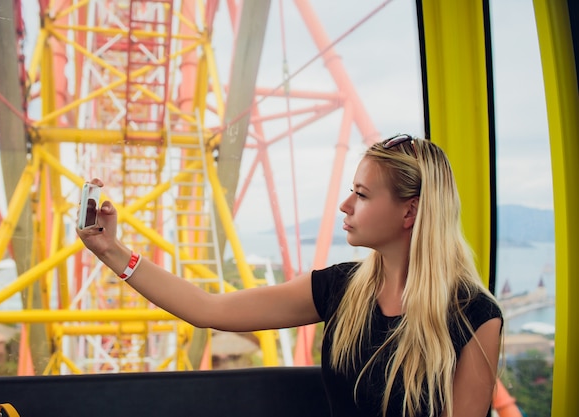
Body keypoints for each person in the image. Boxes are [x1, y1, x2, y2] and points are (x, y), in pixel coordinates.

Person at [77, 134, 503, 417]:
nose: (345, 205)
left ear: (410, 211)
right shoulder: (342, 288)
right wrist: (112, 251)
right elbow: (207, 309)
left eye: (362, 194)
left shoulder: (474, 317)